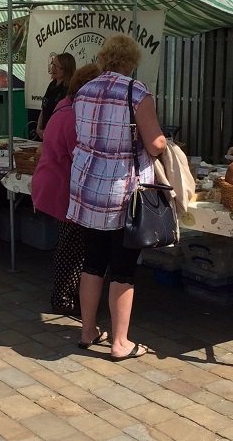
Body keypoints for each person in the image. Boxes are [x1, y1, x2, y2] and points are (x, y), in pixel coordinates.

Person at [67, 34, 167, 361]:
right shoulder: (136, 93)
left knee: (94, 261)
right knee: (123, 266)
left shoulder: (83, 90)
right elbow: (155, 145)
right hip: (121, 190)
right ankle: (120, 342)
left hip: (86, 185)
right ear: (131, 61)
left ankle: (87, 331)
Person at [32, 63, 100, 317]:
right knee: (72, 244)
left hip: (56, 183)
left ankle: (68, 295)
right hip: (64, 186)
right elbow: (81, 158)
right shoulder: (73, 117)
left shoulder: (64, 109)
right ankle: (63, 297)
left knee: (70, 242)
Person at [35, 52, 76, 140]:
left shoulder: (69, 89)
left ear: (66, 69)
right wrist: (39, 127)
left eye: (57, 67)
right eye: (53, 65)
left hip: (58, 134)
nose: (54, 69)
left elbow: (63, 116)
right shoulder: (52, 85)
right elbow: (44, 107)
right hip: (45, 132)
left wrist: (49, 129)